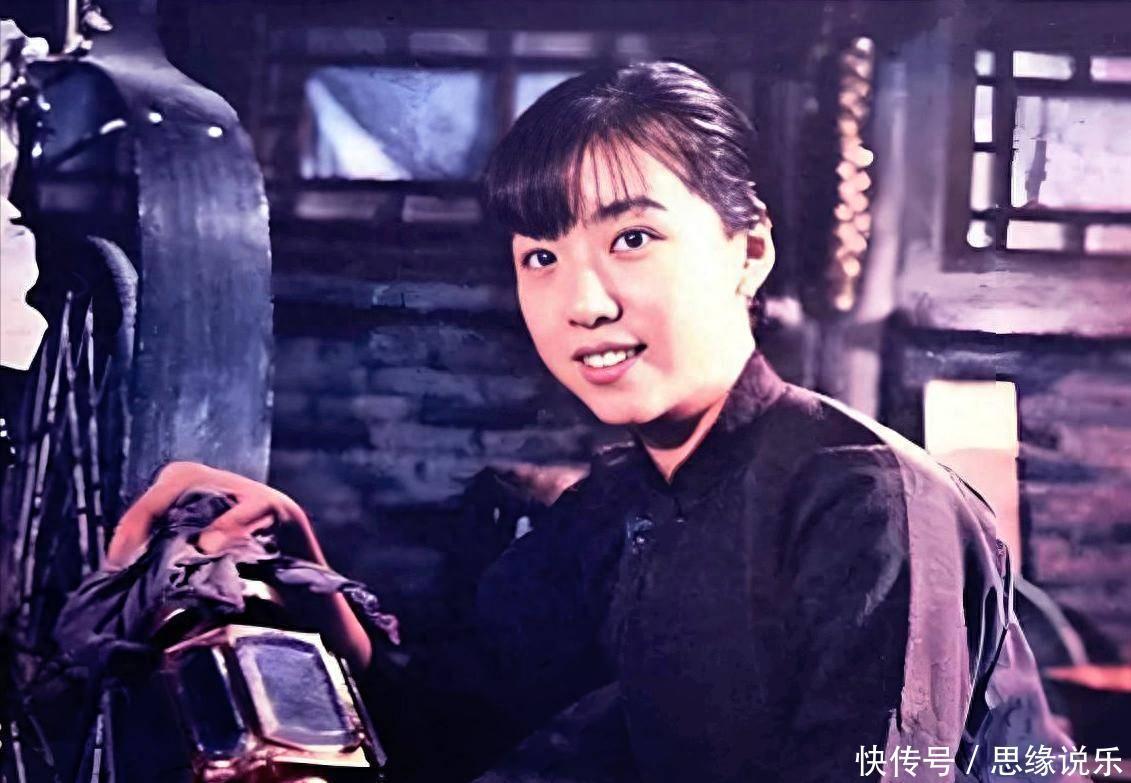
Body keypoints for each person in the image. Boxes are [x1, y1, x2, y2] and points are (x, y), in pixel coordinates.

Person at [96, 62, 1081, 782]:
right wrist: (305, 575)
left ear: (748, 251)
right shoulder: (612, 510)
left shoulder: (868, 502)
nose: (585, 302)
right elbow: (445, 731)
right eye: (541, 257)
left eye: (633, 238)